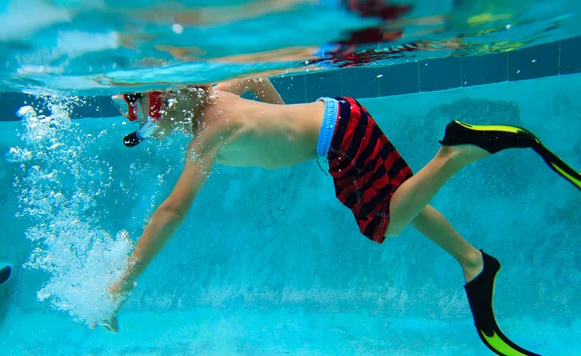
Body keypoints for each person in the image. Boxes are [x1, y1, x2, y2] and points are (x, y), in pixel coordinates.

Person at [106, 77, 580, 356]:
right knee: (403, 200)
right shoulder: (212, 93)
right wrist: (287, 118)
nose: (145, 128)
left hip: (339, 137)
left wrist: (123, 283)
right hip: (340, 117)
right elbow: (258, 76)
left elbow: (171, 212)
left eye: (141, 116)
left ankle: (455, 152)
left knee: (387, 222)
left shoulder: (207, 135)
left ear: (163, 100)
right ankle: (474, 261)